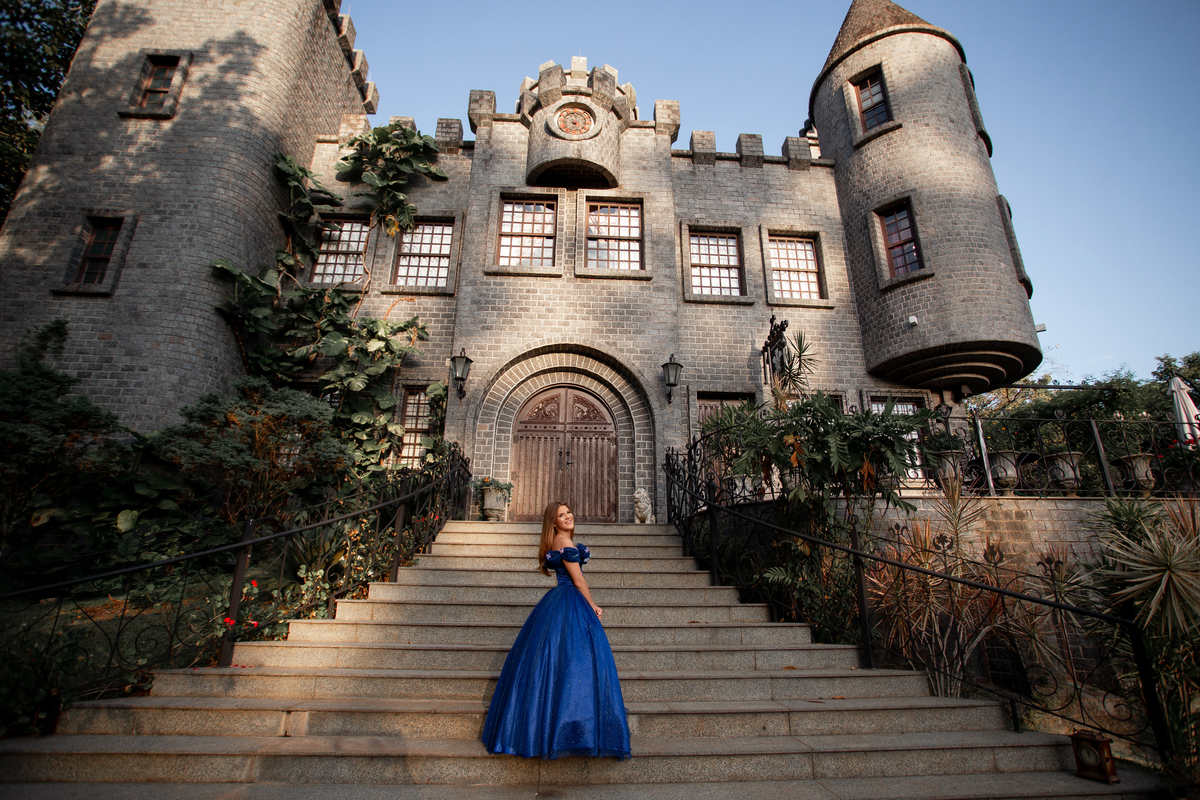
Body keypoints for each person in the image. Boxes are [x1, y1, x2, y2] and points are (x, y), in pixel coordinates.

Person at [481, 500, 632, 760]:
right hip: (571, 599)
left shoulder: (556, 541)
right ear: (554, 522)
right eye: (562, 515)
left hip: (559, 600)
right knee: (578, 661)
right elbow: (579, 580)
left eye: (569, 512)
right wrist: (593, 605)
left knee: (553, 662)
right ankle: (573, 729)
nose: (568, 517)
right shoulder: (565, 542)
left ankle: (548, 728)